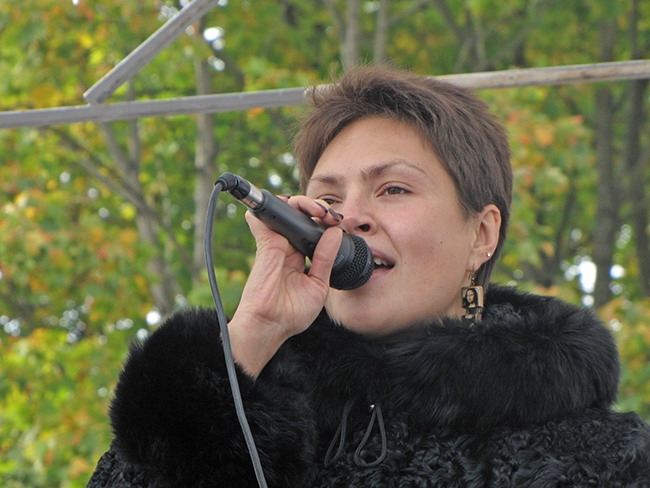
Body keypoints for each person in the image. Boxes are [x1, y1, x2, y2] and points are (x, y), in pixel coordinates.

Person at [88, 65, 650, 487]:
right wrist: (254, 331)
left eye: (393, 189)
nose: (348, 216)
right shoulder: (262, 417)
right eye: (328, 197)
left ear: (481, 235)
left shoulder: (604, 459)